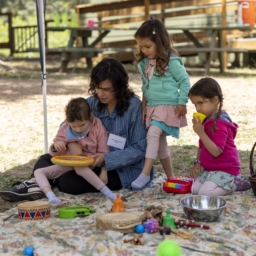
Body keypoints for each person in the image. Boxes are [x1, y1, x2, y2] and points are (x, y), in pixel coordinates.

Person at [0, 58, 153, 202]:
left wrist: (107, 159)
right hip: (83, 159)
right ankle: (34, 184)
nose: (101, 94)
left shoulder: (134, 108)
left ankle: (39, 183)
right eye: (98, 88)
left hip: (120, 168)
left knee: (69, 183)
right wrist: (69, 143)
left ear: (120, 87)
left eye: (107, 89)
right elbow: (67, 124)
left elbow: (140, 149)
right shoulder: (92, 103)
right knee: (45, 159)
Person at [131, 18, 190, 190]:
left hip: (168, 106)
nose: (144, 50)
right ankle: (171, 178)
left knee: (153, 134)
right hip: (152, 107)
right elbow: (145, 87)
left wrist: (182, 101)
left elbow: (184, 81)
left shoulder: (172, 62)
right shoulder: (144, 64)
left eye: (147, 46)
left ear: (160, 42)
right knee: (161, 142)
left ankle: (144, 173)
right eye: (141, 46)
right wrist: (144, 106)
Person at [34, 97, 122, 205]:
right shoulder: (66, 127)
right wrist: (56, 146)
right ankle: (51, 196)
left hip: (88, 163)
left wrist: (104, 171)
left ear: (90, 116)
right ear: (67, 121)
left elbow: (104, 151)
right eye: (74, 127)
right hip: (69, 162)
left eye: (82, 125)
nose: (78, 129)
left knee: (79, 167)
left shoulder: (97, 126)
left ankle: (109, 194)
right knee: (39, 171)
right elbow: (53, 152)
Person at [189, 77, 251, 196]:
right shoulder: (206, 122)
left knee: (205, 193)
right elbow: (201, 146)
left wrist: (201, 133)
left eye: (200, 103)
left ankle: (235, 184)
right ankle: (221, 183)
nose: (197, 108)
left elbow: (216, 151)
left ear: (215, 100)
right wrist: (198, 161)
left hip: (225, 169)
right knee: (194, 190)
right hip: (210, 169)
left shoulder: (221, 124)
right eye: (195, 104)